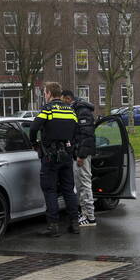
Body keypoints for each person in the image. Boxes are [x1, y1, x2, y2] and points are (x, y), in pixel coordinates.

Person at [29, 82, 80, 237]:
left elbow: (33, 128)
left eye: (45, 93)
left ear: (50, 93)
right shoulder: (70, 110)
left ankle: (53, 226)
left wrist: (34, 143)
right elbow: (77, 131)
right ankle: (74, 224)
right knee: (68, 190)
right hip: (66, 156)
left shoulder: (48, 109)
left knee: (50, 190)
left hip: (50, 156)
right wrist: (72, 148)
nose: (44, 95)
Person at [60, 89, 97, 227]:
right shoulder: (78, 110)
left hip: (82, 154)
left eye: (63, 100)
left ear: (68, 98)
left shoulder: (82, 111)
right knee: (81, 184)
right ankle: (85, 214)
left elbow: (86, 135)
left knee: (85, 184)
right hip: (79, 153)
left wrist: (81, 155)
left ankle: (90, 217)